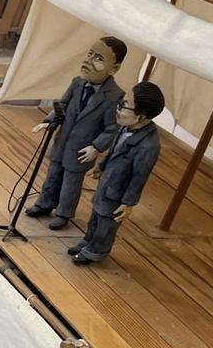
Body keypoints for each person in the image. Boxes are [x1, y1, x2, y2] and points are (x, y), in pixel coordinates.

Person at [25, 37, 127, 230]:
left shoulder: (114, 96)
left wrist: (96, 147)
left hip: (81, 149)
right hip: (62, 141)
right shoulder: (77, 83)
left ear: (114, 69)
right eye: (90, 54)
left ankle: (64, 213)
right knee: (53, 175)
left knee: (71, 183)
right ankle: (44, 203)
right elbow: (62, 105)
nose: (88, 61)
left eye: (98, 59)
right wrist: (49, 121)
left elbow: (112, 129)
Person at [70, 81, 165, 266]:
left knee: (106, 226)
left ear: (140, 117)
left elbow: (139, 177)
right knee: (95, 218)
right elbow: (113, 150)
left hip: (118, 193)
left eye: (124, 106)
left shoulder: (148, 146)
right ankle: (87, 242)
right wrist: (101, 166)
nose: (118, 109)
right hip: (107, 185)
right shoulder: (124, 127)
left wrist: (128, 203)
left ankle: (95, 252)